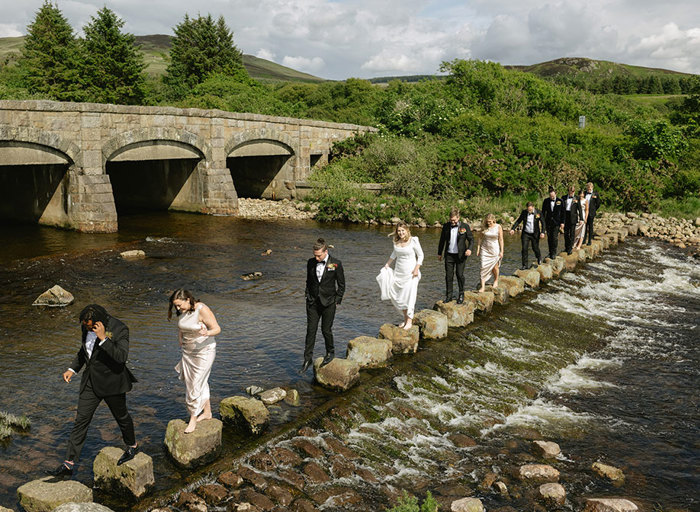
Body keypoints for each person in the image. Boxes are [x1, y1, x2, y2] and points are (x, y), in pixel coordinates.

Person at [47, 305, 138, 478]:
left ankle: (132, 445)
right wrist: (72, 369)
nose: (87, 328)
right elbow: (84, 351)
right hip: (90, 382)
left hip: (113, 382)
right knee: (81, 420)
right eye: (85, 326)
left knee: (121, 417)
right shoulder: (86, 326)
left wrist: (103, 338)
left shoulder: (120, 329)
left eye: (89, 326)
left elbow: (121, 357)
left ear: (99, 322)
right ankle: (69, 463)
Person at [168, 289, 221, 434]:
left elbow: (217, 329)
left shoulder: (202, 309)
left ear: (188, 299)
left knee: (195, 384)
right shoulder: (185, 310)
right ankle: (207, 412)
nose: (178, 309)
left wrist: (207, 332)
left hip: (204, 352)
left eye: (179, 305)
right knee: (197, 381)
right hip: (188, 352)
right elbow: (183, 325)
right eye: (176, 306)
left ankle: (193, 417)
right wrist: (180, 337)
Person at [301, 238, 345, 374]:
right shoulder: (310, 262)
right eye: (315, 255)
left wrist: (337, 300)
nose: (317, 258)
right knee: (311, 330)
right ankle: (307, 359)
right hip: (313, 302)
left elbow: (342, 284)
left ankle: (330, 353)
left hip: (329, 302)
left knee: (326, 329)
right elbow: (309, 280)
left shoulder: (336, 264)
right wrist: (307, 295)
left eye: (319, 255)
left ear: (326, 251)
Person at [376, 221, 424, 330]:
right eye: (399, 231)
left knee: (409, 296)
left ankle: (409, 322)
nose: (401, 233)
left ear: (407, 230)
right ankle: (405, 319)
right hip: (399, 273)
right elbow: (394, 254)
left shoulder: (414, 241)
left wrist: (416, 269)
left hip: (411, 273)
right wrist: (387, 264)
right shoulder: (396, 241)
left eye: (403, 230)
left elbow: (421, 256)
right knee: (400, 297)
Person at [437, 208, 474, 304]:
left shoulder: (465, 226)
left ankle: (461, 294)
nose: (452, 222)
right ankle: (449, 296)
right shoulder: (446, 226)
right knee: (448, 276)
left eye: (454, 220)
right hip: (449, 255)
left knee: (459, 274)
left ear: (458, 218)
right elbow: (442, 241)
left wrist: (469, 249)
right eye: (451, 220)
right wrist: (439, 253)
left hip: (460, 255)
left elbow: (471, 239)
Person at [510, 201, 545, 269]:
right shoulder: (524, 212)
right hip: (526, 233)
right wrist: (513, 229)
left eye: (530, 210)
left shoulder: (538, 212)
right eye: (528, 210)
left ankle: (539, 257)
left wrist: (543, 232)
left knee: (535, 248)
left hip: (535, 233)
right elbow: (518, 220)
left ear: (533, 207)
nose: (529, 211)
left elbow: (543, 222)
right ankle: (524, 265)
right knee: (524, 249)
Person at [477, 214, 504, 292]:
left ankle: (496, 280)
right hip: (485, 249)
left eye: (490, 222)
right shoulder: (484, 227)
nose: (488, 223)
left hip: (494, 249)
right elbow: (480, 238)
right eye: (487, 222)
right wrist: (478, 249)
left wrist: (502, 251)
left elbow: (501, 239)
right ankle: (482, 286)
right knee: (483, 266)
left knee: (495, 267)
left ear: (493, 220)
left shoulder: (498, 227)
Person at [541, 186, 563, 259]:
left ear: (555, 194)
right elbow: (543, 212)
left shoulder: (560, 201)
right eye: (551, 196)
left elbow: (563, 213)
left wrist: (562, 222)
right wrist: (542, 221)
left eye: (553, 196)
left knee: (554, 237)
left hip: (557, 222)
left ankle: (554, 253)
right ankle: (550, 252)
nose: (552, 197)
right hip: (548, 222)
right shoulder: (546, 201)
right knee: (549, 238)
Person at [561, 185, 578, 254]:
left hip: (573, 216)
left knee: (572, 233)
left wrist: (582, 219)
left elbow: (579, 208)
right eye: (570, 191)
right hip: (566, 216)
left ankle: (570, 248)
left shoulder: (577, 198)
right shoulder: (563, 197)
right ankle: (566, 246)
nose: (571, 193)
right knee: (566, 233)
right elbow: (561, 209)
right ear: (568, 191)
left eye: (573, 191)